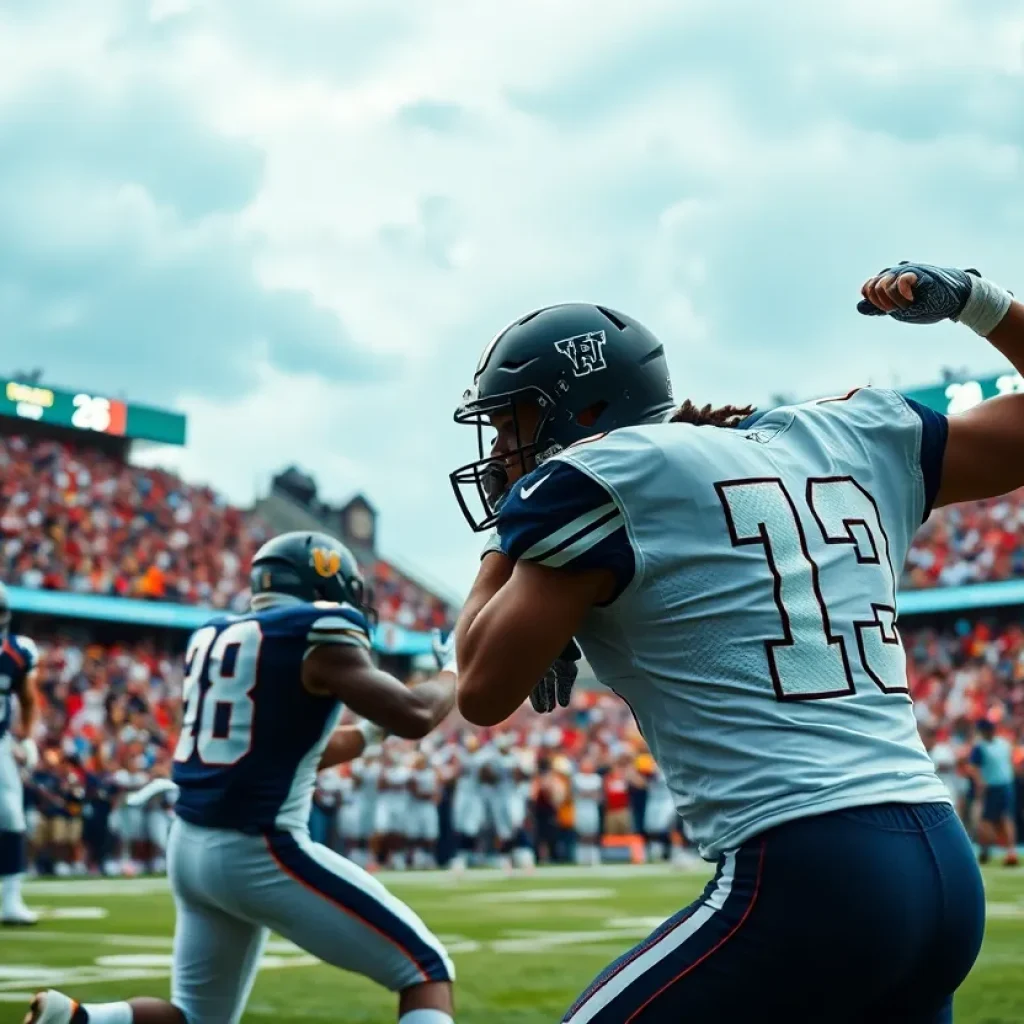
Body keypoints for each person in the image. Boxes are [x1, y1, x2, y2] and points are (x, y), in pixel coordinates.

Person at [448, 262, 1024, 1021]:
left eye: (511, 424)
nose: (498, 453)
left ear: (584, 410)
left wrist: (508, 547)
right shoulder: (846, 436)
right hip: (940, 855)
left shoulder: (602, 474)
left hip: (809, 871)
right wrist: (983, 304)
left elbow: (481, 688)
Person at [28, 531, 459, 1024]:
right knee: (425, 970)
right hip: (259, 850)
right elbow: (416, 713)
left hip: (190, 847)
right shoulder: (314, 631)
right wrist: (454, 671)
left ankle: (79, 1019)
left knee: (197, 1017)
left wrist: (370, 734)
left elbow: (294, 751)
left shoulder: (217, 635)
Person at [0, 580, 40, 925]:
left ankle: (11, 900)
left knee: (12, 816)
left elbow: (27, 698)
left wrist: (25, 736)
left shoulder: (15, 652)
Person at [968, 717, 1019, 866]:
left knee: (986, 820)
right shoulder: (1004, 744)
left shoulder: (980, 747)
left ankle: (987, 849)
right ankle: (1010, 851)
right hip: (1006, 784)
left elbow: (974, 769)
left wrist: (979, 784)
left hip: (992, 787)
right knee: (1005, 818)